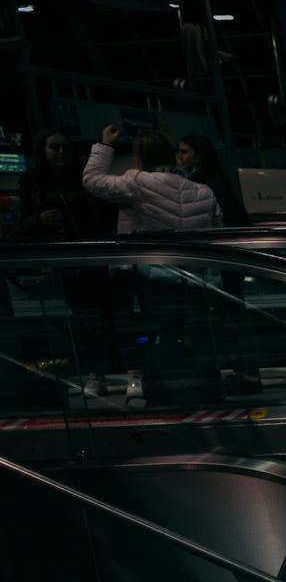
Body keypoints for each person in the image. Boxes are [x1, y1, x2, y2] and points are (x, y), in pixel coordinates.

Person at [83, 126, 220, 404]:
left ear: (140, 158)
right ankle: (206, 392)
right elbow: (217, 231)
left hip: (152, 278)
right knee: (196, 335)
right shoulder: (204, 191)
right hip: (196, 279)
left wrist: (105, 145)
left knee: (159, 335)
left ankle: (164, 395)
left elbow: (92, 180)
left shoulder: (137, 182)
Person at [15, 130, 118, 396]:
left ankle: (108, 372)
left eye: (64, 147)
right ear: (44, 150)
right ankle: (97, 373)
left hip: (93, 253)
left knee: (102, 315)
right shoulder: (33, 182)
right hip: (62, 259)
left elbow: (106, 212)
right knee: (84, 318)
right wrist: (40, 220)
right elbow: (22, 225)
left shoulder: (84, 177)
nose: (60, 153)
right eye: (54, 147)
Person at [179, 133, 262, 395]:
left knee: (230, 317)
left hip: (219, 264)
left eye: (184, 152)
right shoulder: (215, 182)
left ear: (199, 155)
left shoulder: (205, 186)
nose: (180, 157)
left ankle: (244, 372)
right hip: (225, 263)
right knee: (233, 316)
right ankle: (245, 372)